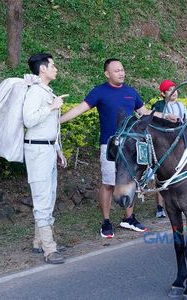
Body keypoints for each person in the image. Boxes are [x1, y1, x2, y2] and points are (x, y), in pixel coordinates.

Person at [60, 58, 176, 238]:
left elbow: (144, 112)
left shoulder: (131, 91)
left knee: (131, 181)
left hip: (130, 147)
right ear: (107, 74)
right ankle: (106, 222)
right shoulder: (99, 92)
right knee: (108, 184)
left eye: (122, 69)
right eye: (116, 70)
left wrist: (165, 116)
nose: (121, 73)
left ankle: (129, 218)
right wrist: (57, 121)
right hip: (110, 145)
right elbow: (79, 109)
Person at [23, 53, 68, 264]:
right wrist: (52, 107)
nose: (55, 69)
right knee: (42, 198)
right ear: (42, 69)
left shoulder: (46, 91)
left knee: (48, 196)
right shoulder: (35, 92)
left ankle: (38, 241)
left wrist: (58, 149)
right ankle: (50, 249)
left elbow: (50, 126)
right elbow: (29, 119)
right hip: (37, 151)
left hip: (47, 149)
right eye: (53, 65)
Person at [151, 80, 187, 218]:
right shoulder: (159, 106)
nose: (174, 92)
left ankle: (181, 201)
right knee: (161, 174)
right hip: (163, 145)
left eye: (175, 89)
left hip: (179, 143)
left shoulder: (181, 105)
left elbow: (185, 122)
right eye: (170, 90)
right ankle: (160, 206)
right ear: (163, 93)